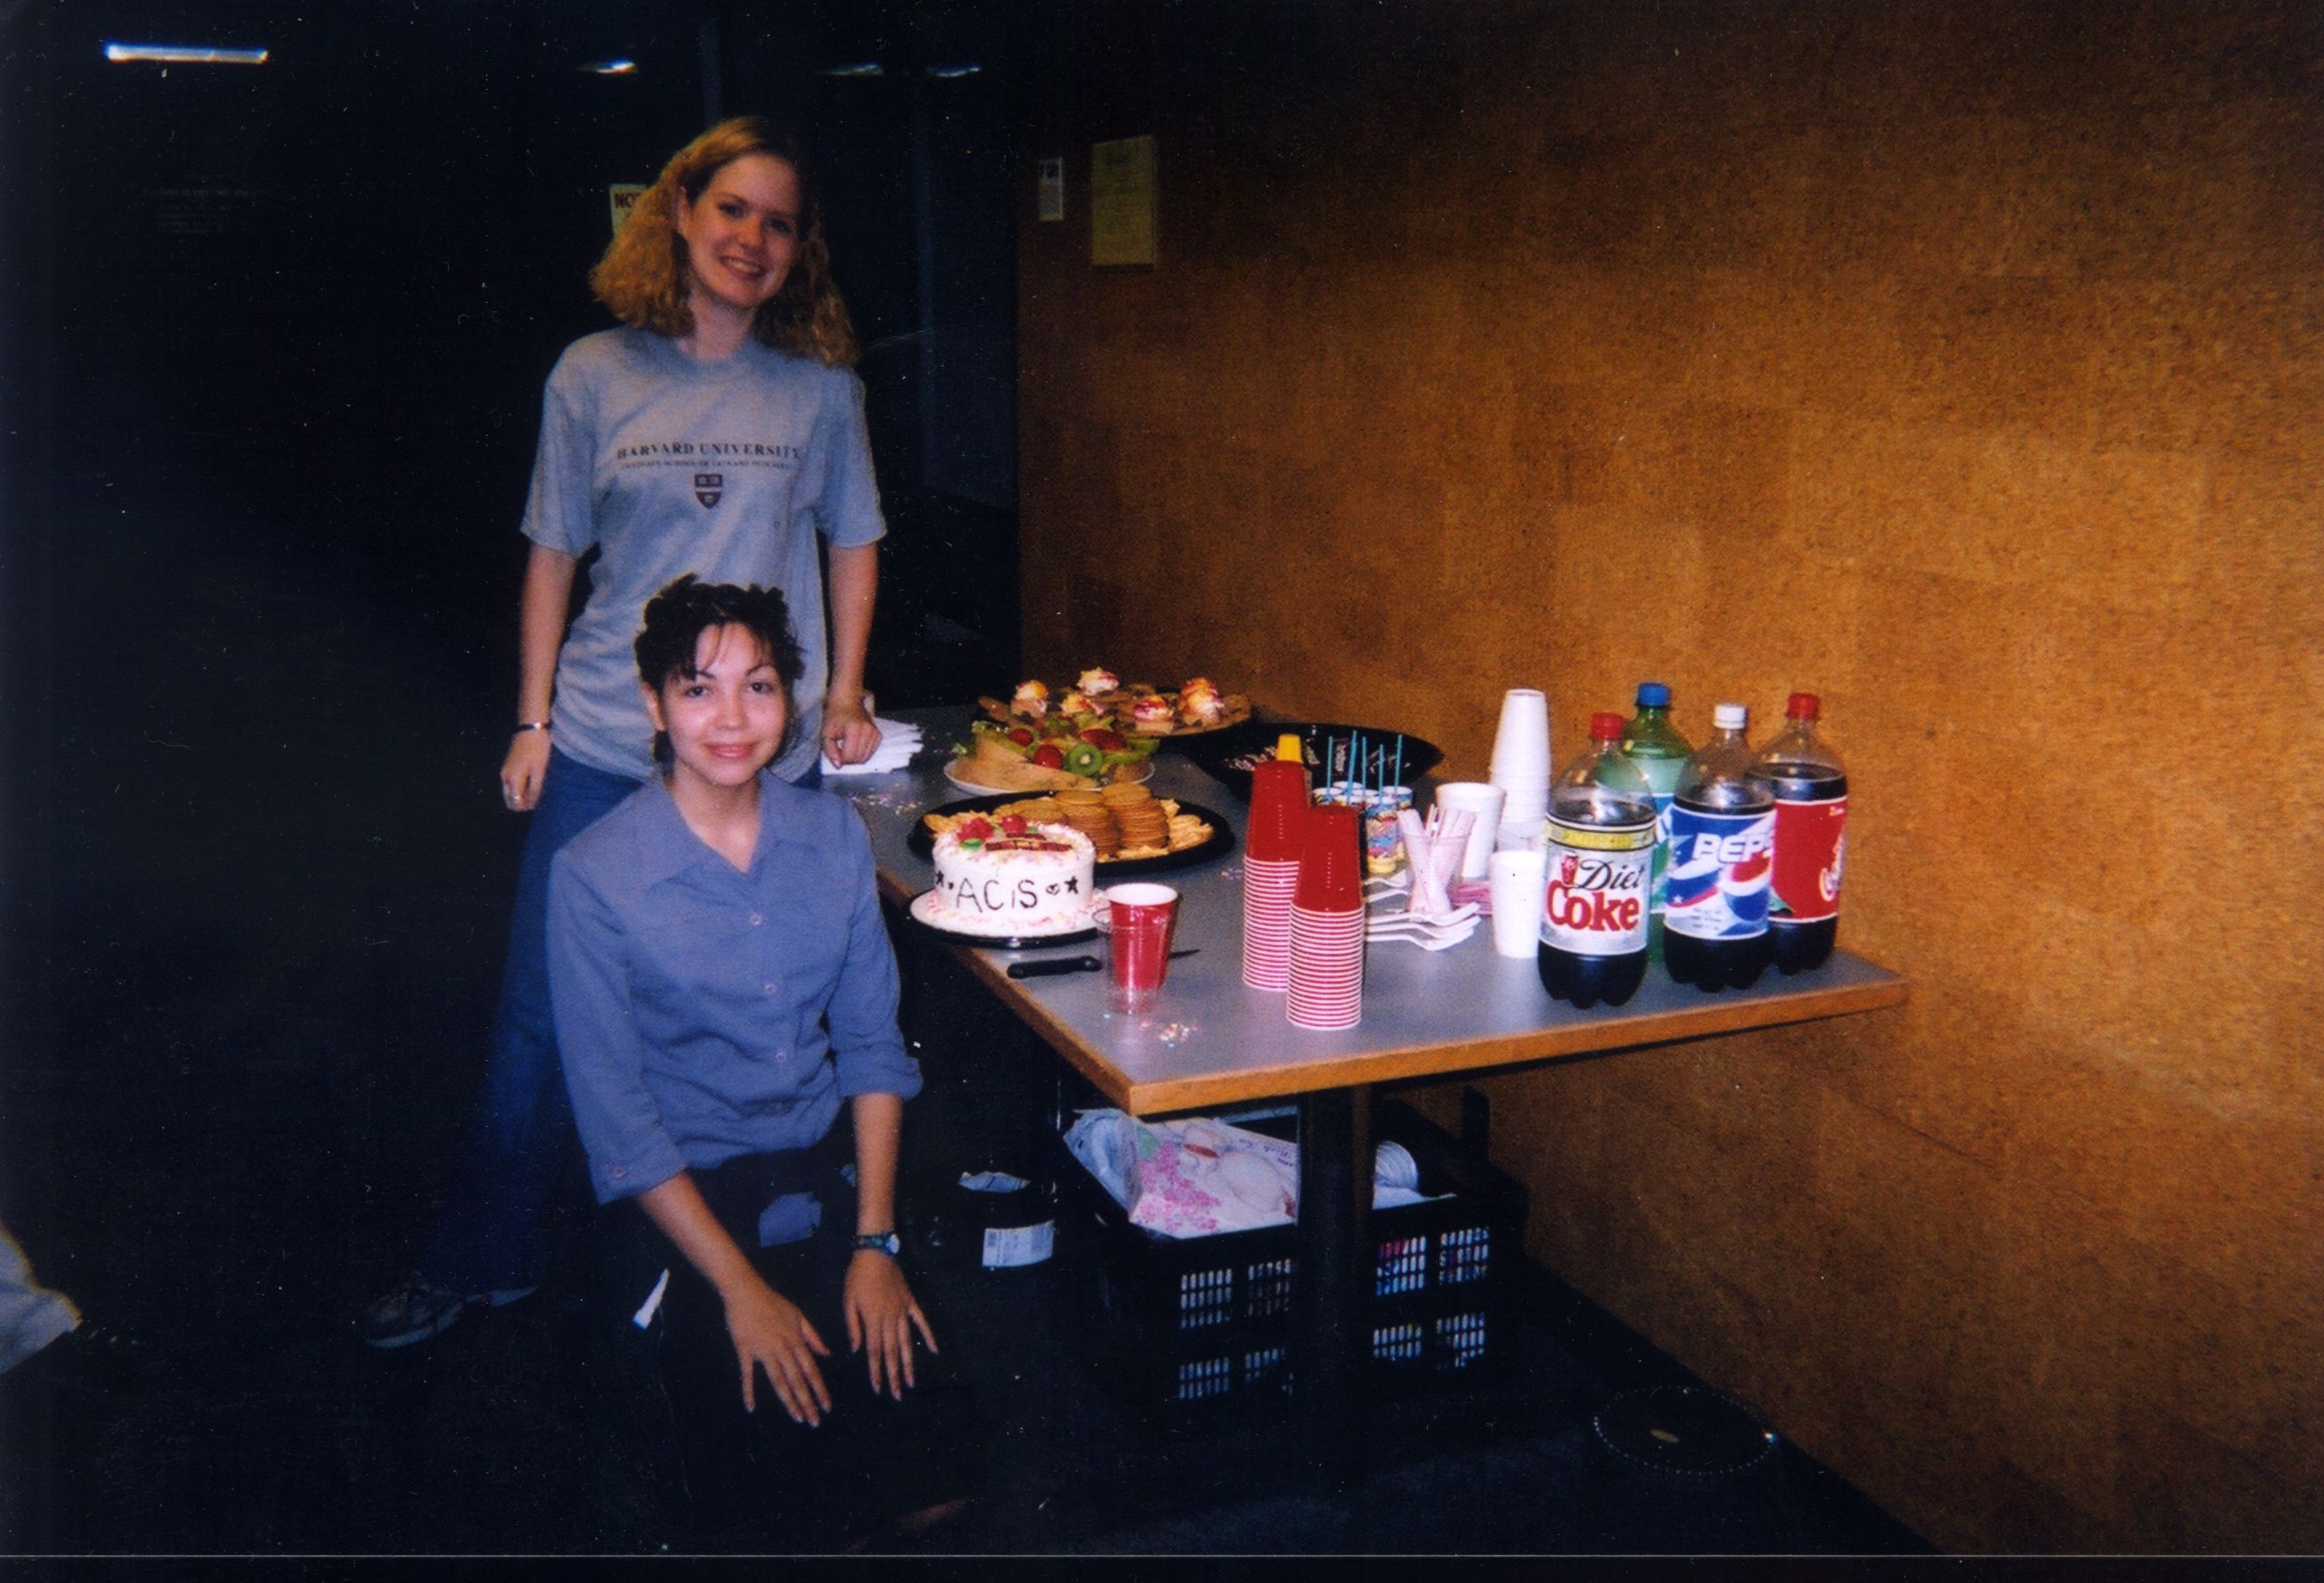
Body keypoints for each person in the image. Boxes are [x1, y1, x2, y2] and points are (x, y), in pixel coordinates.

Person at [362, 117, 891, 1348]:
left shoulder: (820, 390)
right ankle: (482, 1257)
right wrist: (533, 718)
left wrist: (844, 693)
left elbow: (854, 540)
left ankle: (757, 1240)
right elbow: (553, 551)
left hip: (758, 750)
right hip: (608, 738)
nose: (752, 240)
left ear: (800, 248)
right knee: (544, 1014)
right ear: (678, 213)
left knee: (768, 1004)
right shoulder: (593, 372)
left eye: (779, 223)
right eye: (731, 210)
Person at [548, 577, 966, 1546]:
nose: (732, 719)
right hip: (685, 1194)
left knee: (933, 1482)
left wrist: (875, 1245)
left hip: (826, 1176)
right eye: (698, 689)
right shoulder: (594, 875)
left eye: (760, 685)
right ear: (653, 705)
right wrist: (739, 1290)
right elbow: (618, 1123)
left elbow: (871, 1047)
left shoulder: (832, 834)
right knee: (777, 1508)